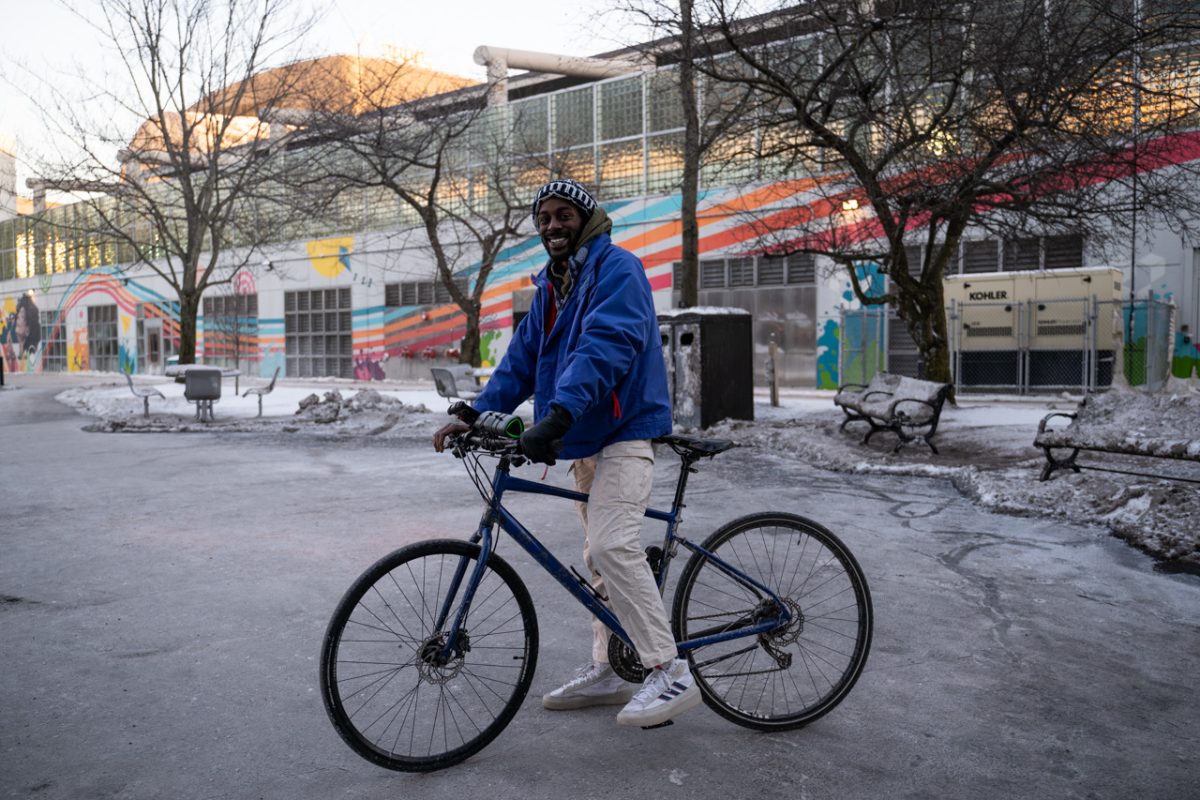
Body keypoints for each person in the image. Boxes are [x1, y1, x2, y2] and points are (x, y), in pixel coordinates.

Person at [433, 178, 700, 728]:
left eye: (563, 215)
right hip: (583, 438)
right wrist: (472, 412)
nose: (553, 225)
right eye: (544, 218)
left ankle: (669, 670)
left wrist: (558, 414)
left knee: (611, 544)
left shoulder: (617, 269)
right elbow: (520, 362)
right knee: (594, 559)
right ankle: (607, 668)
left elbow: (606, 345)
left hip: (625, 430)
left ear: (586, 217)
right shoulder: (554, 286)